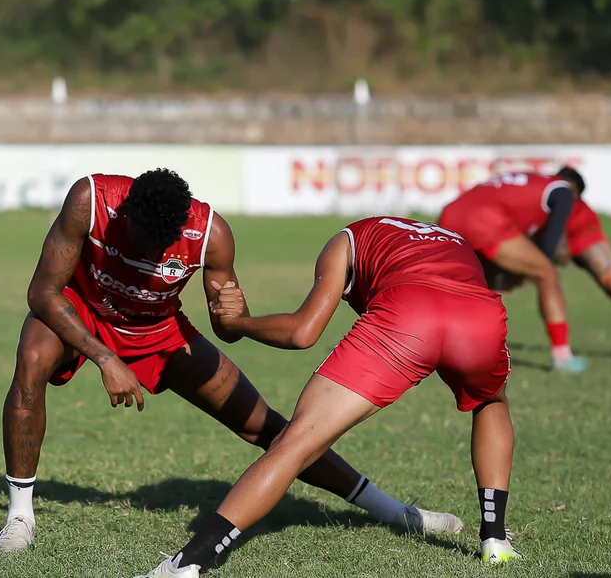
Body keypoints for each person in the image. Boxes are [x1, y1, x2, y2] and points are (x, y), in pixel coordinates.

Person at [0, 171, 465, 554]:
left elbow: (226, 329)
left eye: (163, 248)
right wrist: (104, 357)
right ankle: (19, 516)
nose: (152, 256)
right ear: (127, 214)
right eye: (142, 244)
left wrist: (234, 317)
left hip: (159, 332)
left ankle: (394, 511)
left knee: (266, 427)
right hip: (84, 312)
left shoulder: (211, 235)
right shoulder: (90, 199)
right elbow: (43, 292)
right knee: (32, 357)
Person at [138, 216, 519, 578]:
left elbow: (302, 332)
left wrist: (240, 323)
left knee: (295, 442)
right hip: (479, 318)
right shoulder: (451, 240)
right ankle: (495, 539)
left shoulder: (345, 240)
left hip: (408, 316)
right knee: (491, 403)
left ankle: (188, 563)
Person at [485, 200, 611, 369]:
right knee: (518, 281)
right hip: (544, 239)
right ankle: (558, 353)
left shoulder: (575, 213)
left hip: (581, 234)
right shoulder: (536, 206)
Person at [438, 167, 586, 372]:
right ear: (575, 190)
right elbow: (548, 249)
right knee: (547, 274)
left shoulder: (532, 179)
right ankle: (562, 357)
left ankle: (448, 345)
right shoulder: (563, 190)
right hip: (485, 221)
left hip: (450, 216)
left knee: (477, 286)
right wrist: (525, 274)